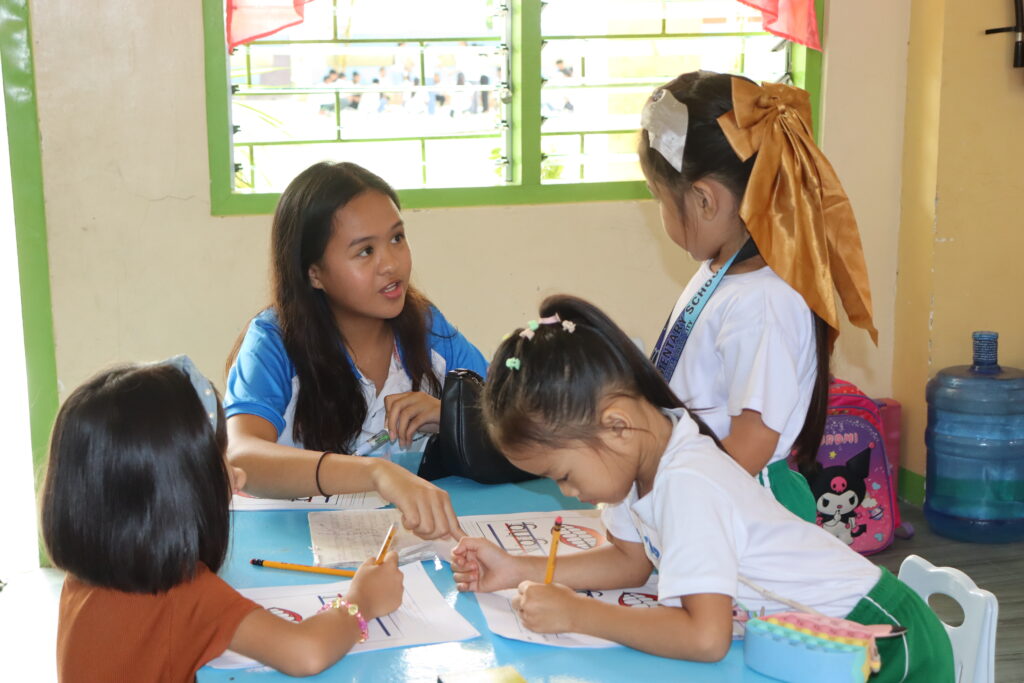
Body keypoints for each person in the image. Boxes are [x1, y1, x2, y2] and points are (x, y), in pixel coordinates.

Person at [450, 296, 952, 681]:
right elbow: (631, 562)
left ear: (616, 424)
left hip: (879, 641)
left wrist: (580, 613)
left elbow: (704, 636)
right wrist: (518, 569)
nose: (567, 492)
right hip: (810, 644)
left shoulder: (686, 482)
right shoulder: (640, 459)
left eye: (563, 475)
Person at [41, 358, 404, 680]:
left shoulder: (88, 575)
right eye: (219, 458)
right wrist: (362, 601)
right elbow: (305, 652)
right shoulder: (183, 592)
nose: (238, 475)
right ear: (177, 489)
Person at [637, 71, 879, 521]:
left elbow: (751, 444)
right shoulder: (722, 275)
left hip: (747, 509)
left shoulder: (764, 302)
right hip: (710, 494)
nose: (660, 213)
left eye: (658, 198)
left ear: (705, 201)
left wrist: (668, 500)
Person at [224, 161, 487, 540]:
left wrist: (453, 415)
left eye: (397, 238)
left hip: (397, 545)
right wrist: (376, 474)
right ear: (314, 273)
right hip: (288, 543)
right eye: (365, 251)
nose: (391, 264)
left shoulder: (426, 326)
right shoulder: (274, 340)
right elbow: (243, 454)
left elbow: (514, 413)